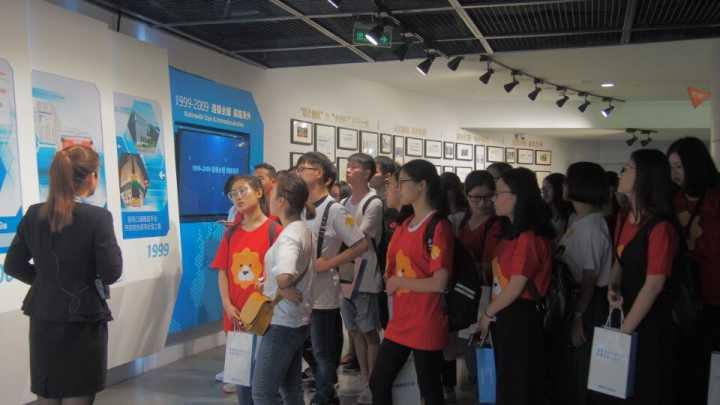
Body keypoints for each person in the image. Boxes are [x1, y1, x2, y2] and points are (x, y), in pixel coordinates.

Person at [4, 145, 123, 405]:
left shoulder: (34, 214)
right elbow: (112, 272)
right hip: (84, 319)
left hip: (44, 316)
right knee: (78, 393)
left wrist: (47, 282)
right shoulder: (98, 218)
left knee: (48, 392)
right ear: (91, 176)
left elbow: (13, 265)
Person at [369, 159, 453, 405]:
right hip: (401, 319)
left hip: (426, 318)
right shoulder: (405, 224)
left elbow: (439, 282)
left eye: (403, 182)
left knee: (429, 388)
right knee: (379, 380)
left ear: (422, 185)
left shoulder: (438, 226)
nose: (398, 188)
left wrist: (399, 281)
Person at [605, 149, 679, 405]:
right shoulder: (627, 218)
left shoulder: (661, 227)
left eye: (628, 168)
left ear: (644, 177)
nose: (622, 173)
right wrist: (613, 285)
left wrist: (624, 332)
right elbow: (620, 259)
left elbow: (654, 285)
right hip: (626, 316)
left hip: (649, 325)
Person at [296, 152, 369, 405]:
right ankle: (327, 388)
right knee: (304, 347)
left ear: (321, 174)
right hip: (299, 293)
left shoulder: (334, 210)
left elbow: (360, 244)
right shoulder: (299, 207)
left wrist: (329, 263)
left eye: (304, 168)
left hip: (323, 294)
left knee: (323, 350)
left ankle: (325, 395)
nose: (299, 172)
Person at [478, 167, 554, 405]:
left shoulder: (528, 238)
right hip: (505, 313)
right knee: (507, 380)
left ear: (518, 196)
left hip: (520, 316)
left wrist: (488, 313)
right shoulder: (510, 234)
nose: (493, 199)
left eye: (499, 193)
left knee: (518, 383)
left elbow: (515, 286)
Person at [211, 175, 280, 404]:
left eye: (243, 191)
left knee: (264, 384)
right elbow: (222, 271)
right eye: (233, 194)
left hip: (264, 316)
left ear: (259, 192)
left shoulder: (274, 230)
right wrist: (227, 305)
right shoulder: (231, 233)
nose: (238, 197)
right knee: (241, 381)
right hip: (236, 317)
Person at [251, 171, 316, 405]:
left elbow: (285, 275)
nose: (268, 198)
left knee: (262, 393)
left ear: (282, 201)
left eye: (272, 194)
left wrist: (282, 285)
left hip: (282, 323)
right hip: (296, 320)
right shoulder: (303, 229)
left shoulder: (289, 236)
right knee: (291, 390)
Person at [667, 137, 720, 404]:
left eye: (679, 166)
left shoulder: (715, 198)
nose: (674, 173)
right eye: (671, 167)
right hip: (683, 295)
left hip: (713, 293)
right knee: (686, 364)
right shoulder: (672, 200)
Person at [556, 162, 612, 405]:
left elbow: (589, 276)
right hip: (576, 299)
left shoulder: (591, 226)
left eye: (568, 180)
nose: (564, 185)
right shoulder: (578, 219)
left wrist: (579, 316)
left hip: (587, 303)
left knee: (581, 369)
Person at [338, 153, 384, 404]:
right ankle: (364, 377)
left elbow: (358, 237)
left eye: (354, 167)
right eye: (348, 166)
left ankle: (373, 382)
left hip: (365, 274)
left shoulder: (373, 203)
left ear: (367, 173)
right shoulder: (344, 201)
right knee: (354, 329)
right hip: (345, 272)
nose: (349, 170)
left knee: (368, 330)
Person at [542, 173, 573, 240]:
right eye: (543, 188)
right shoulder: (542, 213)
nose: (544, 191)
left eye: (549, 187)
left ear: (559, 188)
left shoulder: (571, 215)